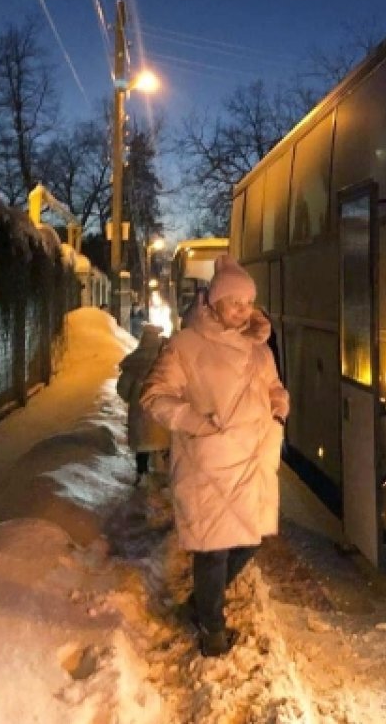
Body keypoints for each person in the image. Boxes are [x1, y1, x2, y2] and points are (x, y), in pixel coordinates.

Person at [140, 255, 290, 657]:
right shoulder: (186, 345)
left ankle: (198, 607)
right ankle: (212, 630)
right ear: (214, 303)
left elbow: (275, 386)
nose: (243, 311)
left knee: (250, 540)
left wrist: (278, 407)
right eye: (235, 302)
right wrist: (197, 421)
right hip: (210, 464)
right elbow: (154, 396)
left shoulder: (259, 349)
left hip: (253, 462)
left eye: (248, 303)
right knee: (213, 549)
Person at [116, 324, 170, 485]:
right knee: (163, 439)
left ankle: (142, 472)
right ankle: (166, 474)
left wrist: (132, 399)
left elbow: (122, 388)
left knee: (142, 442)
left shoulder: (133, 362)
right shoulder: (165, 360)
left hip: (139, 411)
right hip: (161, 408)